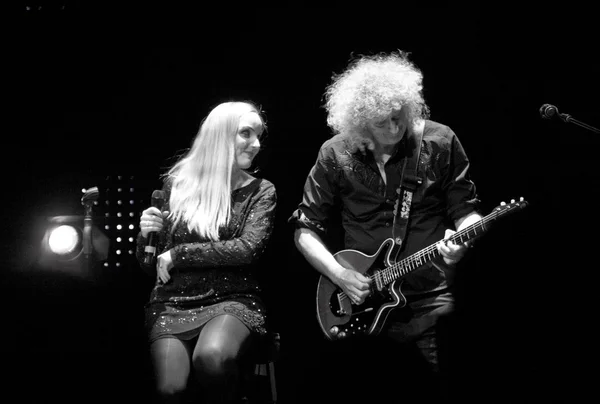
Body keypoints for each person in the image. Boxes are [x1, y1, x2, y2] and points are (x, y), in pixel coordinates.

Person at [289, 51, 482, 402]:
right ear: (360, 122)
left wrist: (463, 240)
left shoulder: (439, 141)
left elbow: (466, 211)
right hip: (362, 308)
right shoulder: (334, 153)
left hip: (431, 298)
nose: (393, 129)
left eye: (399, 118)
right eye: (381, 122)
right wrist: (339, 274)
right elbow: (305, 229)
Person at [136, 101, 277, 404]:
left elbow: (247, 249)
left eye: (258, 135)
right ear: (221, 135)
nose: (256, 144)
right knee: (170, 390)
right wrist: (144, 233)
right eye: (246, 134)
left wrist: (179, 254)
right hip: (173, 304)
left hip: (231, 299)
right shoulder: (177, 184)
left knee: (212, 358)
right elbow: (151, 265)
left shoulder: (261, 191)